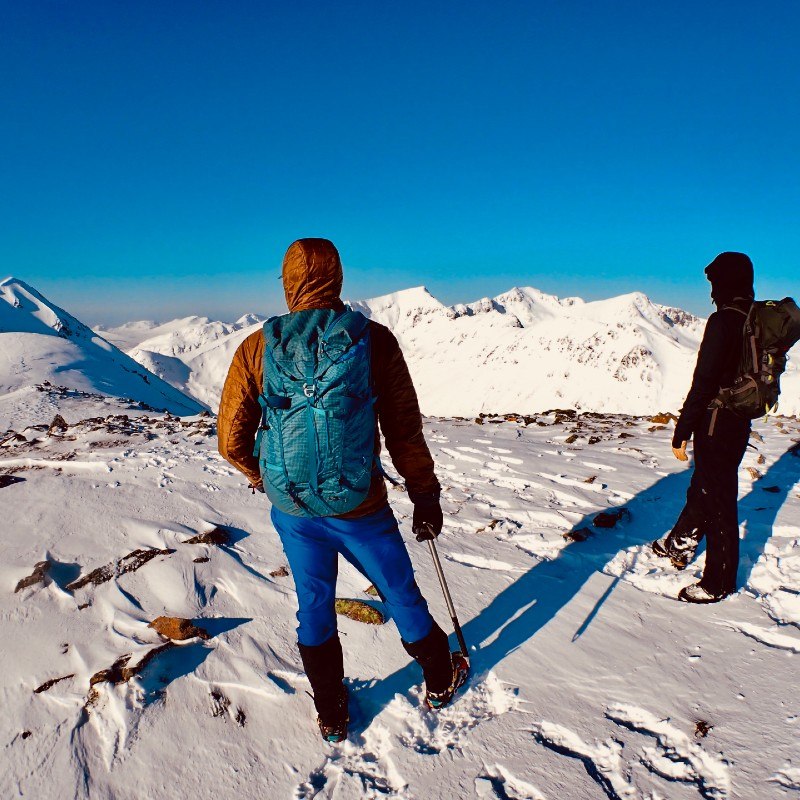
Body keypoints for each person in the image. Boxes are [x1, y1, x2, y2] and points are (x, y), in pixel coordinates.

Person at [217, 238, 467, 742]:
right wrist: (425, 493)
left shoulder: (258, 347)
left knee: (313, 602)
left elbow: (230, 440)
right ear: (338, 278)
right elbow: (403, 430)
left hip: (292, 508)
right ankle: (441, 677)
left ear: (287, 283)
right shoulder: (373, 340)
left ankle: (332, 714)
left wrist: (262, 477)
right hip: (361, 506)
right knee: (398, 590)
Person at [652, 252, 754, 603]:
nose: (711, 291)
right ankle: (678, 544)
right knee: (705, 488)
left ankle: (718, 582)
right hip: (739, 422)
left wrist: (683, 429)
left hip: (715, 422)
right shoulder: (753, 320)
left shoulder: (723, 321)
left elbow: (704, 381)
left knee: (721, 500)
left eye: (714, 282)